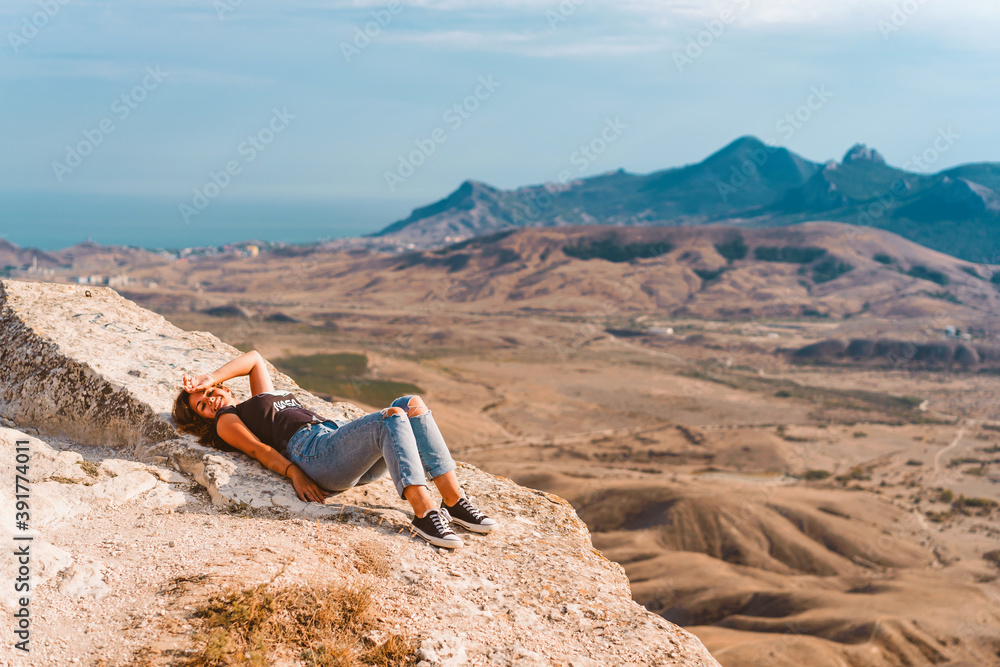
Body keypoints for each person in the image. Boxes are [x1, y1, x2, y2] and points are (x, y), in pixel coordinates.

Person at [172, 350, 496, 548]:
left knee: (411, 404)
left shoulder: (256, 401)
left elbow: (254, 359)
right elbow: (258, 450)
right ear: (203, 418)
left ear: (222, 386)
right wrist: (294, 472)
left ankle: (454, 501)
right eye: (201, 406)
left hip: (340, 448)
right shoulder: (228, 419)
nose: (209, 402)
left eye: (209, 393)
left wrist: (207, 377)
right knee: (391, 417)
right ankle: (424, 513)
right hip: (315, 455)